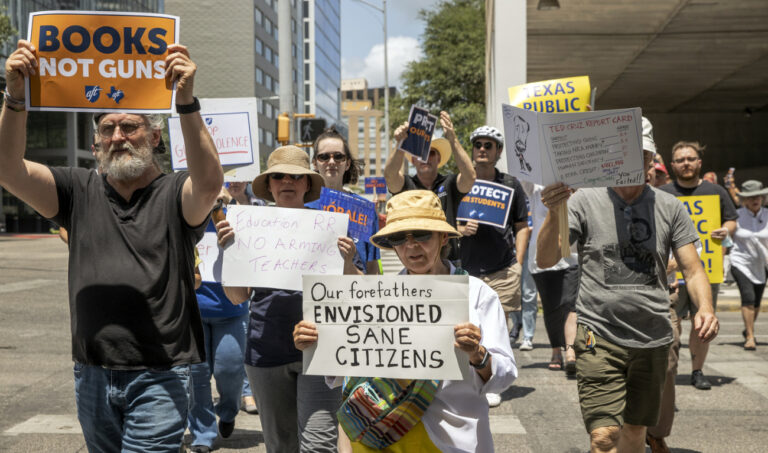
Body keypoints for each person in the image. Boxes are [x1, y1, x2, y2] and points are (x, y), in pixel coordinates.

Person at [0, 40, 223, 451]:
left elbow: (209, 183)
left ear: (156, 136)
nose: (118, 136)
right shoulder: (76, 188)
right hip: (92, 373)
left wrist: (186, 102)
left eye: (130, 126)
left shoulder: (176, 191)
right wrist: (15, 96)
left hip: (160, 374)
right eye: (107, 128)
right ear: (95, 145)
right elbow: (8, 170)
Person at [293, 190, 517, 452]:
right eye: (399, 238)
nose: (411, 246)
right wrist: (318, 343)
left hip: (451, 442)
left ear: (443, 237)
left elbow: (504, 376)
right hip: (380, 437)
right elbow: (349, 370)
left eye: (422, 235)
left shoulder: (477, 293)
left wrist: (477, 354)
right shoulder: (374, 296)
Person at [537, 146, 719, 453]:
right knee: (605, 436)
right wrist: (554, 213)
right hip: (598, 334)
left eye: (641, 154)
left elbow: (692, 267)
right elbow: (545, 258)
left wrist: (706, 308)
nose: (632, 160)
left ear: (651, 161)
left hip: (653, 337)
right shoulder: (584, 200)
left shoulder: (669, 206)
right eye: (624, 152)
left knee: (635, 430)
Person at [217, 146, 344, 453]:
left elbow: (351, 295)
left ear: (307, 184)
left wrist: (348, 260)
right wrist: (229, 251)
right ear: (270, 184)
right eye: (278, 175)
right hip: (266, 350)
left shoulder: (329, 229)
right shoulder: (247, 227)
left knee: (319, 445)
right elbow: (237, 297)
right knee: (281, 446)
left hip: (321, 349)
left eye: (296, 176)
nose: (287, 181)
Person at [454, 125, 528, 407]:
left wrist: (519, 263)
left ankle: (494, 379)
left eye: (489, 145)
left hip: (502, 267)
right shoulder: (460, 183)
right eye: (478, 145)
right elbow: (446, 222)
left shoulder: (511, 184)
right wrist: (460, 229)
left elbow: (522, 226)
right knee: (469, 325)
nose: (482, 149)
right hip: (468, 269)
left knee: (499, 324)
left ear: (498, 152)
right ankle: (472, 374)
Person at [660, 141, 738, 390]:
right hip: (673, 273)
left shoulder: (716, 191)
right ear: (673, 165)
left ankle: (697, 371)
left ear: (699, 163)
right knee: (671, 322)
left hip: (707, 269)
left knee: (701, 321)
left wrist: (725, 230)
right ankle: (668, 370)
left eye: (690, 159)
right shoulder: (664, 194)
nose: (686, 164)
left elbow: (732, 220)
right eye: (681, 160)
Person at [384, 111, 476, 262]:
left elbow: (470, 176)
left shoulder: (450, 183)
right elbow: (390, 175)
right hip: (415, 261)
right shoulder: (406, 185)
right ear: (413, 160)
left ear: (439, 158)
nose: (425, 158)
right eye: (420, 153)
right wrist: (401, 144)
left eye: (431, 153)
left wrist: (452, 140)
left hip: (449, 261)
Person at [307, 126, 381, 275]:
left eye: (338, 156)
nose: (332, 161)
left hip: (356, 293)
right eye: (324, 157)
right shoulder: (304, 208)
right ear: (315, 163)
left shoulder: (365, 209)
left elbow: (373, 267)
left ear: (347, 163)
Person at [527, 182, 579, 375]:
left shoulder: (575, 183)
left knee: (569, 303)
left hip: (571, 256)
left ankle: (571, 351)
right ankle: (556, 351)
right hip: (542, 256)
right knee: (551, 308)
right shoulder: (534, 186)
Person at [730, 180, 768, 350]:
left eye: (758, 196)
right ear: (744, 200)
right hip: (740, 262)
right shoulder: (736, 216)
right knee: (748, 298)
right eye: (751, 197)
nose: (755, 200)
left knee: (757, 302)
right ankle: (750, 337)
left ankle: (748, 329)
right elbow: (725, 238)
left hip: (761, 264)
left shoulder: (767, 216)